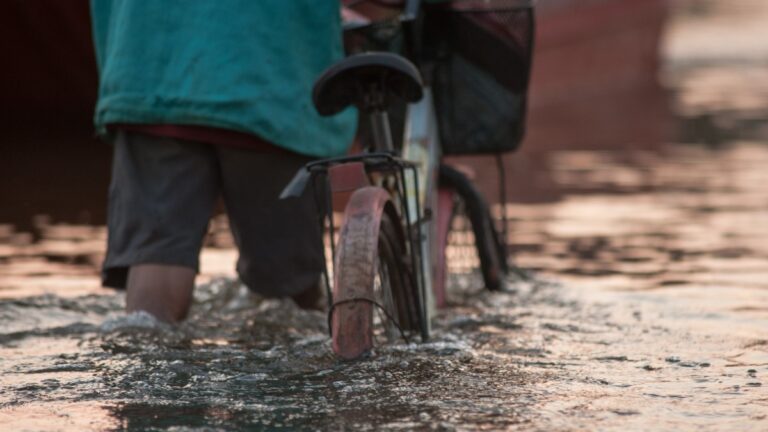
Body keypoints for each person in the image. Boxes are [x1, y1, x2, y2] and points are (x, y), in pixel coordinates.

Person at [90, 1, 357, 322]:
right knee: (287, 289)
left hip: (148, 70)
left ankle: (145, 354)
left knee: (157, 256)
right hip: (271, 83)